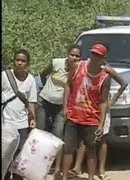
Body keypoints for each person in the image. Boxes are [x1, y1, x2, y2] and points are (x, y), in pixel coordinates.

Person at [69, 63, 128, 179]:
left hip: (101, 110)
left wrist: (111, 102)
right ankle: (77, 167)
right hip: (87, 109)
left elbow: (124, 83)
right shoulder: (86, 68)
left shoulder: (107, 70)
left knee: (102, 139)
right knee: (84, 139)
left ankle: (101, 170)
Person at [36, 44, 81, 177]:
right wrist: (47, 88)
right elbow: (43, 74)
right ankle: (38, 164)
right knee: (40, 133)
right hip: (44, 101)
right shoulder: (56, 63)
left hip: (61, 106)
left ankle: (57, 168)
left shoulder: (79, 70)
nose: (74, 58)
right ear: (67, 54)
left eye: (77, 56)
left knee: (58, 136)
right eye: (72, 55)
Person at [2, 49, 37, 180]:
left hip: (22, 124)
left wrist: (33, 119)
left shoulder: (31, 80)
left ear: (27, 64)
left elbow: (32, 101)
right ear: (13, 61)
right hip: (5, 124)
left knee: (20, 156)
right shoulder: (4, 76)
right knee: (5, 155)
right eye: (17, 60)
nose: (19, 63)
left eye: (23, 61)